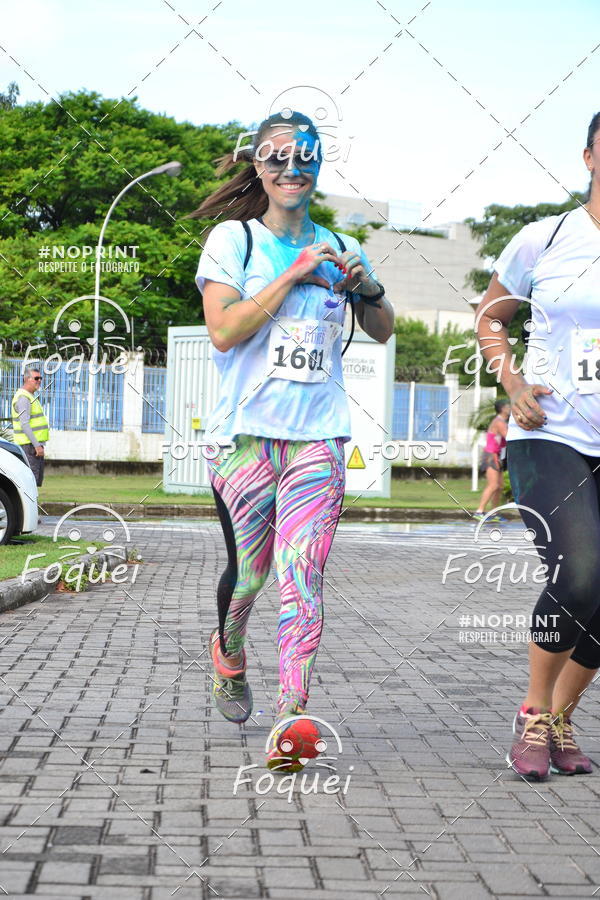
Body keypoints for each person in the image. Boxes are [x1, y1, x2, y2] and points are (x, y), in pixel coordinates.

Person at [191, 110, 395, 770]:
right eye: (276, 156)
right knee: (251, 576)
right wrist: (292, 275)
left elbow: (383, 328)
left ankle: (291, 715)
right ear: (258, 165)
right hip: (245, 441)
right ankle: (229, 651)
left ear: (317, 164)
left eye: (303, 156)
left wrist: (367, 286)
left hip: (318, 438)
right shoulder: (235, 241)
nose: (290, 168)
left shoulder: (342, 243)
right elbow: (224, 331)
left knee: (302, 575)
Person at [476, 112, 600, 781]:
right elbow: (490, 318)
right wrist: (513, 381)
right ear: (589, 157)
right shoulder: (545, 238)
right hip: (550, 432)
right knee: (579, 575)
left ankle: (560, 716)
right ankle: (533, 710)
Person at [11, 367, 49, 487]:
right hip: (29, 447)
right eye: (36, 378)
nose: (39, 380)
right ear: (27, 379)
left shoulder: (30, 397)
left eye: (40, 378)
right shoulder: (24, 398)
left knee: (34, 482)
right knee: (30, 483)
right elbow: (24, 424)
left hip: (32, 446)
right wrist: (37, 445)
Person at [474, 399, 510, 519]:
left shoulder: (502, 421)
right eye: (508, 406)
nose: (511, 408)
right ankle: (479, 511)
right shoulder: (499, 422)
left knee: (499, 486)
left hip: (498, 455)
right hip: (491, 455)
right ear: (503, 409)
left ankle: (494, 513)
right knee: (493, 485)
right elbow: (508, 436)